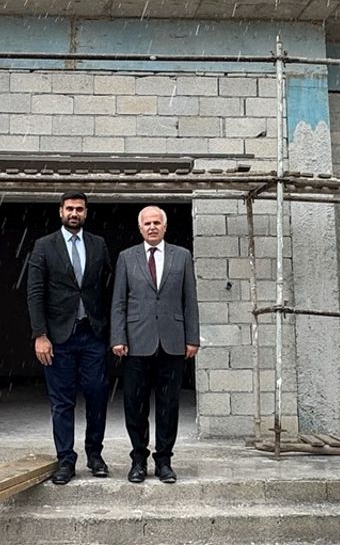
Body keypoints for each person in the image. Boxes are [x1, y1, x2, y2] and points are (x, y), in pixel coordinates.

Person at [26, 191, 113, 485]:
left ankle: (95, 455)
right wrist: (40, 334)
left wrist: (111, 329)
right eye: (70, 208)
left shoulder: (98, 244)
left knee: (97, 395)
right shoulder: (44, 246)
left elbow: (108, 287)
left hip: (93, 334)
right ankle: (65, 459)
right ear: (60, 212)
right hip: (58, 337)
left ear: (86, 213)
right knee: (62, 401)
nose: (74, 213)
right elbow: (35, 292)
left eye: (79, 209)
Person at [110, 205, 199, 484]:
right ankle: (138, 459)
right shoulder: (127, 257)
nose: (152, 227)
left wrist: (192, 338)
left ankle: (164, 461)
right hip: (136, 343)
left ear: (165, 227)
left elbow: (190, 300)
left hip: (172, 342)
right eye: (147, 223)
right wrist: (118, 337)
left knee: (168, 405)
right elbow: (119, 301)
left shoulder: (182, 256)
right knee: (135, 404)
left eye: (156, 223)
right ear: (140, 228)